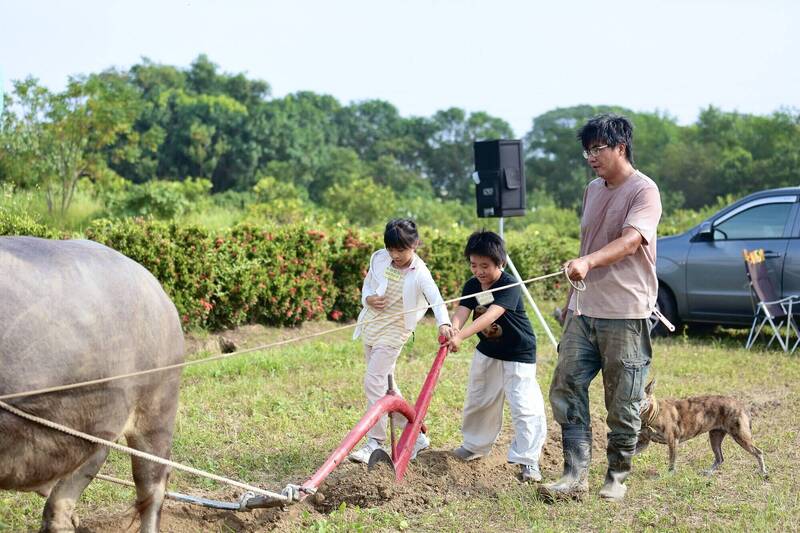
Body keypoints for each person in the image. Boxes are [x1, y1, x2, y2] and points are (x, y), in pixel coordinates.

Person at [539, 114, 662, 502]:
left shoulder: (645, 191)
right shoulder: (593, 189)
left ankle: (617, 474)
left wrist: (590, 262)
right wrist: (571, 298)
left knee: (622, 399)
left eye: (598, 149)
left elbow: (630, 242)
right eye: (586, 150)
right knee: (566, 385)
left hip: (626, 312)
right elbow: (586, 246)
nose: (591, 157)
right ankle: (574, 473)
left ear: (620, 147)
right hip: (584, 309)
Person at [349, 219, 454, 463]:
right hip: (372, 325)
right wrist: (368, 300)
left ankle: (375, 441)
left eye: (401, 250)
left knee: (373, 380)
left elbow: (436, 300)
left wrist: (444, 323)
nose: (395, 255)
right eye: (391, 249)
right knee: (387, 387)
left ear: (415, 244)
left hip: (395, 331)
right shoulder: (379, 258)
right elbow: (368, 285)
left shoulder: (420, 273)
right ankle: (415, 435)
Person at [447, 230, 547, 482]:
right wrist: (453, 328)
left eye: (485, 266)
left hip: (518, 353)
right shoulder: (472, 285)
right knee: (479, 398)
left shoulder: (509, 285)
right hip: (488, 351)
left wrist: (462, 337)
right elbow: (462, 310)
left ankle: (528, 460)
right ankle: (474, 446)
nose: (479, 271)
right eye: (473, 265)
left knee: (524, 406)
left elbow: (491, 315)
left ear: (499, 263)